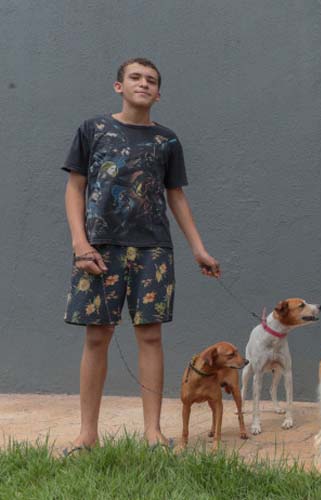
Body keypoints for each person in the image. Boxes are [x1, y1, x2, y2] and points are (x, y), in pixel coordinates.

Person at [62, 57, 220, 453]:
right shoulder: (93, 129)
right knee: (97, 336)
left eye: (151, 80)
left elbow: (175, 195)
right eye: (135, 77)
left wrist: (198, 248)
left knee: (150, 335)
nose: (143, 83)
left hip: (153, 249)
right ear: (119, 86)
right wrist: (80, 244)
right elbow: (75, 188)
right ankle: (87, 434)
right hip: (99, 249)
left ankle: (153, 432)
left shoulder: (167, 140)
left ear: (158, 93)